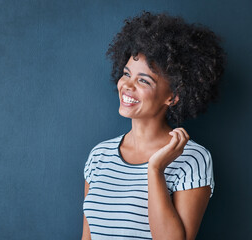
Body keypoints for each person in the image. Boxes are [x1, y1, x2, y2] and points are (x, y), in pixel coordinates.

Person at [81, 10, 226, 240]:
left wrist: (155, 170)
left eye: (143, 80)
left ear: (173, 96)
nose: (127, 85)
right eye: (127, 74)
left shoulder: (193, 159)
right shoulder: (99, 156)